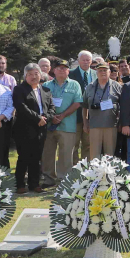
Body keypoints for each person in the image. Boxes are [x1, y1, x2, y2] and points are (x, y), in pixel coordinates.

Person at [12, 63, 54, 193]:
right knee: (24, 156)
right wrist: (38, 118)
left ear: (40, 75)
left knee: (36, 157)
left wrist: (45, 118)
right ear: (25, 76)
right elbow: (21, 107)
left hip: (41, 128)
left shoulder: (46, 90)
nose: (33, 76)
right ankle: (20, 184)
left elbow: (51, 108)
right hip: (24, 128)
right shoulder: (19, 89)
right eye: (30, 74)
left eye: (36, 73)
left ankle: (34, 184)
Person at [40, 58, 82, 186]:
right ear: (54, 70)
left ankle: (64, 179)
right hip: (49, 125)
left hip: (67, 124)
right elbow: (42, 104)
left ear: (68, 71)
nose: (62, 70)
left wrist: (62, 115)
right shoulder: (46, 85)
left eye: (65, 68)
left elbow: (77, 103)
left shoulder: (74, 84)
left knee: (66, 154)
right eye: (59, 68)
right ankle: (49, 178)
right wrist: (51, 117)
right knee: (48, 153)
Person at [83, 60, 123, 160]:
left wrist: (121, 123)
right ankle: (94, 175)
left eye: (105, 70)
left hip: (111, 125)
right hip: (94, 125)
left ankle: (108, 175)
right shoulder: (90, 87)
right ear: (96, 73)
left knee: (109, 155)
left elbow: (123, 106)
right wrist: (85, 123)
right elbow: (84, 106)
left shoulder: (117, 86)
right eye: (100, 70)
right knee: (94, 155)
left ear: (110, 72)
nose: (103, 72)